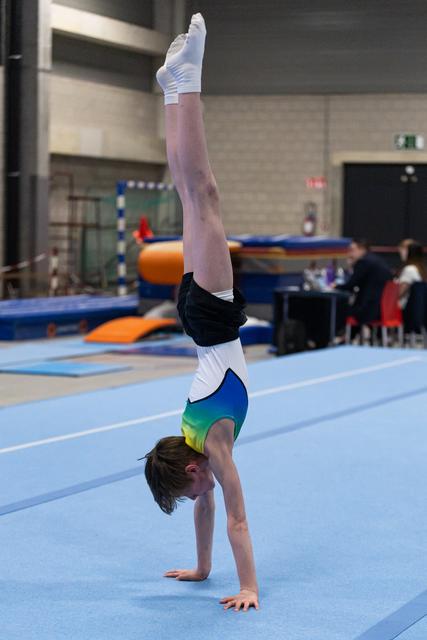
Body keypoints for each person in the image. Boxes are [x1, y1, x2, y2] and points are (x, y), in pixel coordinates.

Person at [142, 14, 259, 613]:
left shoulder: (212, 443)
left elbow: (236, 516)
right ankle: (172, 87)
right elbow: (212, 510)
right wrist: (202, 569)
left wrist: (247, 588)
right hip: (200, 320)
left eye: (190, 491)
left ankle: (187, 82)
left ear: (192, 466)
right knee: (190, 192)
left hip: (211, 316)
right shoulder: (192, 441)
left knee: (203, 190)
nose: (199, 497)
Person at [335, 238, 392, 324]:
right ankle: (348, 336)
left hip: (368, 310)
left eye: (352, 250)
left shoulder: (364, 261)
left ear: (362, 249)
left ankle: (331, 336)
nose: (349, 254)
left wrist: (335, 286)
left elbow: (351, 285)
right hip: (382, 309)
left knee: (336, 310)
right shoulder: (376, 260)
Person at [397, 241, 426, 309]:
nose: (401, 252)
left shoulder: (410, 270)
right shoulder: (420, 268)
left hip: (405, 310)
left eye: (404, 249)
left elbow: (400, 293)